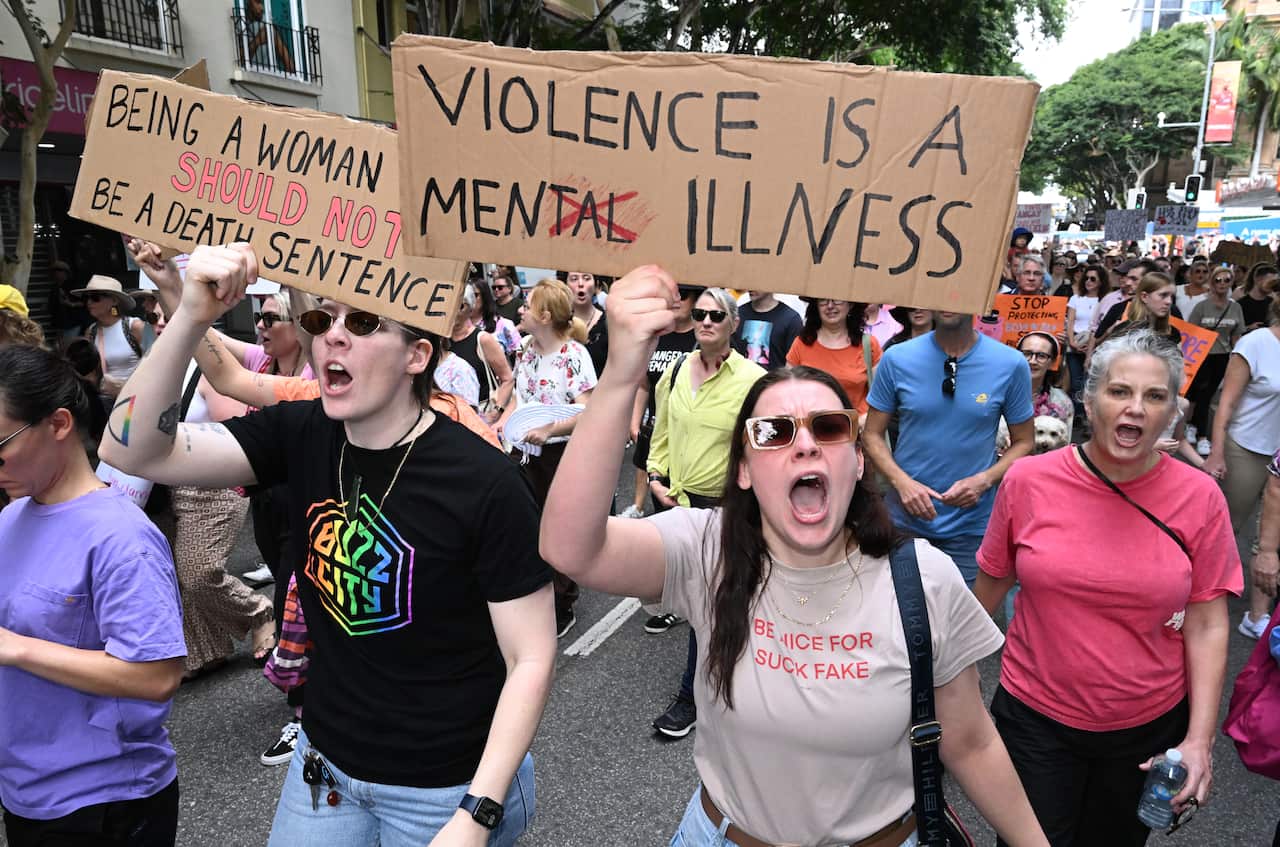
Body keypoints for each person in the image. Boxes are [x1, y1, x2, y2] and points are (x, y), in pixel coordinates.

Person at [540, 266, 1050, 846]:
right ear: (744, 470)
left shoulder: (922, 577)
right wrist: (619, 373)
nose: (803, 442)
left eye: (829, 427)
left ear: (857, 463)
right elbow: (568, 547)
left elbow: (971, 741)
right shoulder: (707, 549)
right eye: (773, 432)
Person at [100, 245, 554, 846]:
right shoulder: (303, 431)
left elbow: (531, 657)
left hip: (445, 788)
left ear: (418, 355)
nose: (332, 337)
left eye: (362, 324)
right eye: (323, 319)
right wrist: (190, 314)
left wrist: (476, 814)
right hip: (325, 769)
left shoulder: (485, 480)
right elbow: (130, 449)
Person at [975, 329, 1241, 846]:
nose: (1136, 409)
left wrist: (1199, 741)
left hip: (1145, 730)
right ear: (1090, 400)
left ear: (1173, 413)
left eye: (1155, 396)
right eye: (1120, 391)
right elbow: (986, 594)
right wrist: (934, 687)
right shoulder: (1028, 481)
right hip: (1035, 719)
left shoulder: (1201, 498)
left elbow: (1208, 622)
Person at [0, 344, 185, 846]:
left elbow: (158, 675)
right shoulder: (12, 515)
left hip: (103, 799)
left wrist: (15, 647)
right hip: (25, 787)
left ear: (59, 424)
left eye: (0, 444)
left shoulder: (122, 537)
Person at [646, 287, 764, 739]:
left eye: (717, 315)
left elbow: (763, 443)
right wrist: (656, 475)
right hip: (679, 506)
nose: (706, 321)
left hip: (728, 509)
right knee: (697, 600)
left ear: (734, 323)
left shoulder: (754, 379)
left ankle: (690, 699)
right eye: (699, 314)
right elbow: (664, 426)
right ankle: (724, 680)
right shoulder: (675, 370)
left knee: (712, 603)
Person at [862, 310, 1035, 588]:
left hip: (972, 524)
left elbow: (1025, 440)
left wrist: (984, 480)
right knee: (902, 615)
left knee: (962, 622)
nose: (951, 302)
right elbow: (871, 433)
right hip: (905, 520)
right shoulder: (897, 358)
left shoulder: (1010, 363)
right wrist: (902, 482)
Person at [499, 277, 597, 638]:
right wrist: (501, 419)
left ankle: (562, 603)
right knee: (525, 527)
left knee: (557, 529)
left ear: (543, 315)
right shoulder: (524, 347)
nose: (520, 311)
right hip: (522, 451)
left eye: (526, 306)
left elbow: (587, 410)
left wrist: (551, 430)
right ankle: (535, 598)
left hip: (558, 454)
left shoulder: (575, 356)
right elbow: (520, 398)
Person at [1203, 297, 1280, 641]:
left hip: (1279, 455)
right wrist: (1217, 451)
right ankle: (1200, 595)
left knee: (1268, 538)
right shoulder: (1256, 343)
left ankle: (1257, 614)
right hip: (1245, 447)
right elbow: (1226, 403)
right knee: (1226, 528)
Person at [622, 285, 698, 524]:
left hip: (689, 436)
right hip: (657, 429)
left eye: (683, 295)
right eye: (672, 295)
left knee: (684, 507)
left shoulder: (702, 338)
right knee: (660, 501)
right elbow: (644, 383)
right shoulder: (656, 336)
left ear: (697, 301)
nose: (676, 301)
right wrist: (635, 422)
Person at [785, 298, 880, 421]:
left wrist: (865, 420)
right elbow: (787, 390)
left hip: (856, 429)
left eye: (837, 300)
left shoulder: (868, 344)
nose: (830, 306)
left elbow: (881, 395)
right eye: (823, 301)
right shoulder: (801, 343)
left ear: (850, 304)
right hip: (811, 428)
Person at [1186, 267, 1246, 447]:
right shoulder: (1201, 306)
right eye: (1218, 280)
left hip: (1223, 356)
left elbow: (1236, 337)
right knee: (1200, 393)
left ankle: (1194, 427)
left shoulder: (1235, 307)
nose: (1222, 283)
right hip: (1202, 355)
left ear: (1231, 283)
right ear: (1211, 282)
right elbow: (1191, 333)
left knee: (1208, 394)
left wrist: (1238, 361)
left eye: (1226, 280)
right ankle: (1202, 435)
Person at [450, 284, 515, 424]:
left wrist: (496, 411)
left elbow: (507, 378)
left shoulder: (482, 339)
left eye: (460, 306)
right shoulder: (441, 341)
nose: (453, 311)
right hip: (450, 417)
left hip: (479, 416)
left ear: (470, 308)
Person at [74, 275, 144, 405]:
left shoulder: (134, 326)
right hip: (105, 404)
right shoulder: (91, 331)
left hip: (134, 401)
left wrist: (122, 387)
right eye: (86, 298)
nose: (89, 302)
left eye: (95, 297)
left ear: (114, 300)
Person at [1094, 272, 1181, 351]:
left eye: (1171, 296)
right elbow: (1098, 346)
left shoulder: (1172, 329)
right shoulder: (1121, 321)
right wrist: (1110, 333)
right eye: (1163, 295)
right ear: (1144, 296)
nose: (1169, 301)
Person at [1066, 264, 1108, 422]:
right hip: (1075, 342)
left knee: (1091, 381)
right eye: (1087, 278)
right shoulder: (1076, 298)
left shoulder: (1105, 301)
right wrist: (1072, 342)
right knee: (1076, 382)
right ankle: (1077, 414)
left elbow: (1104, 326)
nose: (1088, 281)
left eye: (1093, 279)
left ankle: (1087, 415)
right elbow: (1070, 322)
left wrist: (1093, 345)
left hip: (1096, 344)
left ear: (1101, 282)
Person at [1016, 332, 1073, 441]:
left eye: (1041, 356)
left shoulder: (1062, 403)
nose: (1032, 361)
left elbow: (1063, 446)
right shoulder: (997, 394)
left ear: (1052, 362)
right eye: (1026, 353)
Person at [734, 290, 803, 371]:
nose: (751, 287)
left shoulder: (791, 319)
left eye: (757, 281)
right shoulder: (737, 315)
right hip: (740, 380)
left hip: (774, 381)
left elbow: (794, 362)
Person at [563, 270, 609, 378]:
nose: (580, 284)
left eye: (587, 278)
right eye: (574, 279)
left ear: (596, 284)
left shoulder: (609, 323)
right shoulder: (557, 323)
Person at [470, 276, 522, 359]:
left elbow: (520, 355)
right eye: (494, 288)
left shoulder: (503, 323)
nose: (468, 299)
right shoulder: (454, 326)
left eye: (474, 295)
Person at [1239, 262, 1277, 333]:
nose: (1273, 285)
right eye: (1270, 282)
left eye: (1275, 283)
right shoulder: (1239, 304)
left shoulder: (1273, 304)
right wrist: (1248, 328)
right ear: (1257, 280)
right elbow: (1231, 332)